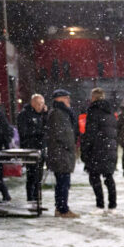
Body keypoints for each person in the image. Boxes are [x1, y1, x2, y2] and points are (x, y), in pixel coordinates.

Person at [81, 87, 118, 211]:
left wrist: (85, 149)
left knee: (94, 176)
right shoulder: (110, 112)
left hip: (97, 149)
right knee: (108, 176)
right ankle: (112, 203)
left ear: (93, 98)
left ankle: (100, 203)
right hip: (110, 148)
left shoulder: (93, 111)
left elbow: (90, 133)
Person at [44, 89, 79, 218]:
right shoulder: (58, 113)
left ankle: (61, 208)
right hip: (61, 153)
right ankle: (63, 209)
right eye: (65, 98)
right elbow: (62, 134)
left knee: (63, 183)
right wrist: (70, 145)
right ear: (58, 99)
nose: (68, 100)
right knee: (63, 183)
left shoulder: (61, 112)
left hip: (61, 152)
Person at [17, 93, 47, 203]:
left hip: (41, 149)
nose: (40, 106)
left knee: (39, 177)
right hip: (30, 150)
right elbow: (24, 132)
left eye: (42, 104)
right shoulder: (24, 115)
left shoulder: (42, 115)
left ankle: (37, 198)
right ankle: (31, 199)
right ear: (32, 103)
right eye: (38, 104)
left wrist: (46, 114)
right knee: (32, 176)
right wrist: (38, 133)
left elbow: (47, 127)